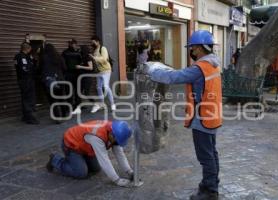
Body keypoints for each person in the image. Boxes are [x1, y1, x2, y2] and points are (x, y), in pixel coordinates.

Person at [141, 30, 222, 200]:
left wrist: (151, 71)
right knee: (211, 153)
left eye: (192, 48)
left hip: (203, 118)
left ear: (199, 48)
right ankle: (210, 183)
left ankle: (210, 191)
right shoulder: (214, 63)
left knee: (205, 156)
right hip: (212, 116)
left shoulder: (200, 67)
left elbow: (174, 77)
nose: (191, 51)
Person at [46, 120, 134, 187]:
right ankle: (55, 160)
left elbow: (120, 154)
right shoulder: (97, 136)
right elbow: (104, 160)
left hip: (86, 147)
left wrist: (129, 171)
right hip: (71, 144)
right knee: (81, 173)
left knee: (96, 168)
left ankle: (80, 160)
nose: (116, 143)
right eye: (116, 141)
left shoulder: (115, 132)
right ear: (112, 134)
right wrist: (116, 180)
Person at [40, 43, 68, 123]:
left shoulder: (43, 58)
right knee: (61, 98)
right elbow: (65, 68)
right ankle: (64, 114)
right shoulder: (59, 57)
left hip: (49, 81)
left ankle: (57, 118)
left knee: (52, 101)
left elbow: (39, 69)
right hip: (60, 80)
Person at [14, 42, 39, 124]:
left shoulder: (22, 56)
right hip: (26, 80)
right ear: (27, 49)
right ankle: (30, 118)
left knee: (25, 98)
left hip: (24, 80)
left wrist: (33, 61)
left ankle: (25, 116)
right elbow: (25, 69)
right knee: (29, 98)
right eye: (30, 49)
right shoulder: (21, 57)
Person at [90, 36, 116, 112]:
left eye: (93, 42)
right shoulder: (94, 51)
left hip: (106, 70)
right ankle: (102, 104)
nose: (92, 43)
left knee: (106, 87)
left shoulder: (103, 48)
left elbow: (104, 59)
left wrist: (94, 58)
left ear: (97, 42)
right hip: (99, 71)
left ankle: (112, 104)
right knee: (98, 87)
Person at [71, 45, 97, 115]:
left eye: (80, 49)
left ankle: (96, 104)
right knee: (78, 92)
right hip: (82, 78)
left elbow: (90, 68)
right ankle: (78, 108)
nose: (79, 50)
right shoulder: (83, 57)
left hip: (88, 78)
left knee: (86, 93)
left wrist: (80, 67)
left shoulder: (88, 57)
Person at [62, 39, 82, 112]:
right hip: (69, 74)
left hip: (76, 74)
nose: (71, 45)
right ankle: (70, 106)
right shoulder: (65, 53)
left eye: (73, 44)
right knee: (69, 91)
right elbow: (63, 64)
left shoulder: (78, 53)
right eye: (70, 44)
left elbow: (82, 62)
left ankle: (78, 105)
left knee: (77, 91)